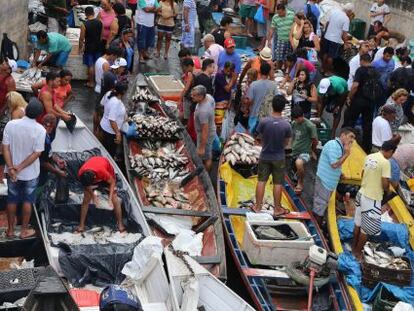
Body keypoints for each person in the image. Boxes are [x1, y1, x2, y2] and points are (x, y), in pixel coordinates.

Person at [2, 98, 46, 238]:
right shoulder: (40, 130)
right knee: (28, 201)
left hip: (12, 171)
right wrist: (19, 167)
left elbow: (5, 148)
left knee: (12, 199)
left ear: (25, 110)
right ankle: (24, 231)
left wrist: (11, 168)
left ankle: (10, 230)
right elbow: (36, 153)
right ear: (39, 115)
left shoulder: (11, 124)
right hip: (30, 173)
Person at [352, 140, 396, 259]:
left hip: (361, 193)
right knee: (365, 230)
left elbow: (362, 173)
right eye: (392, 154)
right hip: (372, 198)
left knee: (357, 224)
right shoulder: (385, 162)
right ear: (390, 151)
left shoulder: (370, 156)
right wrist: (387, 191)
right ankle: (357, 253)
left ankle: (352, 248)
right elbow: (385, 182)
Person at [254, 95, 292, 216]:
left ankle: (258, 207)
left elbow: (258, 137)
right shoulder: (286, 125)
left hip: (265, 155)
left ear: (272, 106)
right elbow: (286, 144)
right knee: (278, 183)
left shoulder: (264, 121)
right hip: (279, 157)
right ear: (283, 108)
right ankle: (277, 209)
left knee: (261, 181)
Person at [312, 127, 356, 226]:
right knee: (320, 207)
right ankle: (317, 229)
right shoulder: (334, 146)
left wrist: (340, 173)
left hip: (329, 182)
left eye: (353, 138)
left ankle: (319, 225)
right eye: (350, 137)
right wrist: (347, 154)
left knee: (321, 205)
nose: (352, 140)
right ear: (343, 135)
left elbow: (336, 164)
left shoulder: (339, 147)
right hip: (325, 182)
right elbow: (334, 164)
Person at [343, 54, 380, 153]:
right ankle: (366, 148)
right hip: (371, 102)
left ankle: (345, 143)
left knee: (350, 121)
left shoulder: (361, 70)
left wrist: (349, 97)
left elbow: (355, 86)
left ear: (362, 60)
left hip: (359, 100)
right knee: (367, 125)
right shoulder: (376, 71)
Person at [78, 156, 126, 233]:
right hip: (93, 174)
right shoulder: (81, 173)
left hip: (106, 173)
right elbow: (87, 186)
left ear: (94, 178)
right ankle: (81, 225)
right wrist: (93, 197)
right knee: (86, 199)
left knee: (114, 198)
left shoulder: (102, 171)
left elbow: (112, 182)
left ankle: (120, 224)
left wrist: (109, 199)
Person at [291, 106, 318, 194]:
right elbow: (293, 136)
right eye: (296, 119)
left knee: (299, 163)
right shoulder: (294, 123)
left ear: (302, 115)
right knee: (295, 169)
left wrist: (312, 151)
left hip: (305, 151)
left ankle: (300, 183)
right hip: (295, 150)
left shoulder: (310, 126)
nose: (298, 120)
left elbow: (315, 140)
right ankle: (297, 177)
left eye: (299, 118)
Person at [246, 62, 278, 134]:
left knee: (252, 139)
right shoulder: (273, 85)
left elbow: (249, 100)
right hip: (268, 117)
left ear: (259, 71)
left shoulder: (254, 84)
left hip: (254, 115)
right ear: (269, 72)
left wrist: (247, 109)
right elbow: (277, 98)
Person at [191, 85, 216, 171]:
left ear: (201, 96)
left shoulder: (203, 111)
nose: (192, 96)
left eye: (194, 95)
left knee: (206, 157)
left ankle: (206, 175)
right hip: (211, 129)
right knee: (207, 154)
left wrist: (202, 147)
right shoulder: (209, 97)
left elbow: (205, 131)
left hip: (205, 135)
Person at [99, 83, 128, 159]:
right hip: (110, 132)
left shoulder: (109, 93)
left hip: (104, 127)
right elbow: (112, 120)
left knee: (104, 149)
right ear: (123, 92)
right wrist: (118, 134)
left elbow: (102, 104)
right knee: (110, 153)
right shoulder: (116, 103)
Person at [79, 6, 103, 88]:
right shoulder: (100, 22)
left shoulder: (84, 25)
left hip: (89, 47)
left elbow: (81, 38)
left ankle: (91, 82)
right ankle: (98, 81)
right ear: (93, 13)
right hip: (98, 46)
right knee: (97, 64)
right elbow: (101, 35)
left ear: (86, 14)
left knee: (91, 65)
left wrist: (80, 48)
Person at [267, 4, 295, 70]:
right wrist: (269, 40)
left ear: (284, 10)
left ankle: (286, 71)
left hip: (290, 40)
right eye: (278, 12)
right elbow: (272, 29)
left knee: (287, 58)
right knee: (279, 58)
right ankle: (278, 71)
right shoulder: (275, 17)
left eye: (280, 12)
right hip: (280, 40)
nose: (279, 14)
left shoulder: (292, 14)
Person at [214, 61, 237, 131]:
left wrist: (229, 102)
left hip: (226, 103)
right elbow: (227, 89)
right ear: (224, 68)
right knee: (218, 124)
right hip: (219, 103)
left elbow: (231, 90)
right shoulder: (219, 75)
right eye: (228, 71)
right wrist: (233, 79)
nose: (229, 73)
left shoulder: (228, 76)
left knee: (224, 124)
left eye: (231, 71)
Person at [178, 58, 195, 125]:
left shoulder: (190, 75)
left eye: (184, 68)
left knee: (187, 117)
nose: (183, 70)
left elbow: (186, 89)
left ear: (189, 66)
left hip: (189, 99)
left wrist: (180, 99)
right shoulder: (187, 74)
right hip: (188, 98)